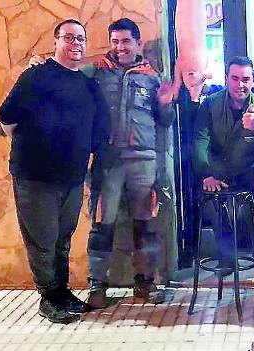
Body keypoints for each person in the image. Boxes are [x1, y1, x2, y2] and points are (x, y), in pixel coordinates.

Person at [0, 19, 110, 323]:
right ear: (56, 41)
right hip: (35, 177)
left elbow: (99, 129)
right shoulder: (36, 77)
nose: (76, 44)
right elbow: (6, 117)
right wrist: (33, 148)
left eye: (81, 39)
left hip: (72, 177)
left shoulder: (87, 85)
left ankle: (62, 292)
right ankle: (48, 297)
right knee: (42, 239)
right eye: (70, 38)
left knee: (63, 238)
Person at [81, 18, 175, 308]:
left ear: (137, 43)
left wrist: (164, 104)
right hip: (107, 161)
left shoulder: (152, 77)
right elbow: (65, 76)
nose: (120, 47)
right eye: (115, 41)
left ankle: (145, 284)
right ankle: (97, 285)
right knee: (102, 224)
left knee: (146, 225)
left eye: (125, 41)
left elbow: (165, 122)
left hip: (144, 161)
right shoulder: (95, 72)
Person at [192, 56, 254, 302]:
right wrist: (206, 174)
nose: (240, 84)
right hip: (216, 174)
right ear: (227, 79)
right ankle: (226, 259)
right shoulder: (210, 104)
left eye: (246, 79)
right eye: (235, 78)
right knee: (218, 212)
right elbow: (200, 141)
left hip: (246, 174)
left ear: (253, 80)